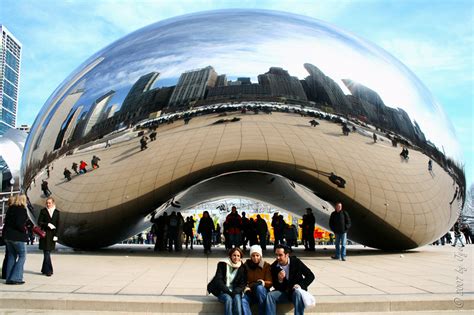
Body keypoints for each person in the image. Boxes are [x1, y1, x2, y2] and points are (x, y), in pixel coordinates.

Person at [266, 245, 315, 315]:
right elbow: (276, 287)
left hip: (295, 292)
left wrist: (300, 285)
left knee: (297, 293)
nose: (277, 257)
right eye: (276, 255)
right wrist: (280, 280)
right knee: (270, 295)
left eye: (280, 255)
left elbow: (310, 276)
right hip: (283, 293)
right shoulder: (273, 267)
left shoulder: (296, 262)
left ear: (287, 255)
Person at [207, 247, 246, 315]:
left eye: (238, 256)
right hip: (222, 290)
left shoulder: (242, 267)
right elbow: (218, 280)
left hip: (235, 291)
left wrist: (235, 291)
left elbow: (242, 284)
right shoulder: (222, 264)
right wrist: (227, 291)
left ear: (240, 257)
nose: (236, 257)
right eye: (234, 255)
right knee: (228, 299)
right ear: (230, 256)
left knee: (237, 300)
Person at [3, 195, 28, 284]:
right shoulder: (22, 210)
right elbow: (19, 224)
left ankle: (9, 278)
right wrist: (25, 230)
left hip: (8, 236)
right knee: (22, 256)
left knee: (11, 256)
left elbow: (6, 222)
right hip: (17, 237)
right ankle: (16, 277)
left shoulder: (10, 209)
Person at [243, 245, 272, 315]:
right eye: (253, 255)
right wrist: (245, 287)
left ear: (260, 256)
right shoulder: (246, 265)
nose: (255, 258)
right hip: (250, 291)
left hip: (262, 292)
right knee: (243, 301)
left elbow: (270, 282)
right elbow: (242, 280)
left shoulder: (266, 266)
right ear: (250, 256)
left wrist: (263, 282)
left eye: (257, 255)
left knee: (259, 288)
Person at [38, 197, 60, 276]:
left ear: (53, 203)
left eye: (49, 203)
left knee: (47, 252)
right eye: (47, 203)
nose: (48, 204)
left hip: (52, 236)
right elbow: (39, 222)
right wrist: (47, 224)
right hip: (45, 234)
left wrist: (56, 235)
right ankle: (49, 270)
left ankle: (44, 269)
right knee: (46, 252)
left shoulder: (57, 212)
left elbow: (58, 224)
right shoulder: (43, 211)